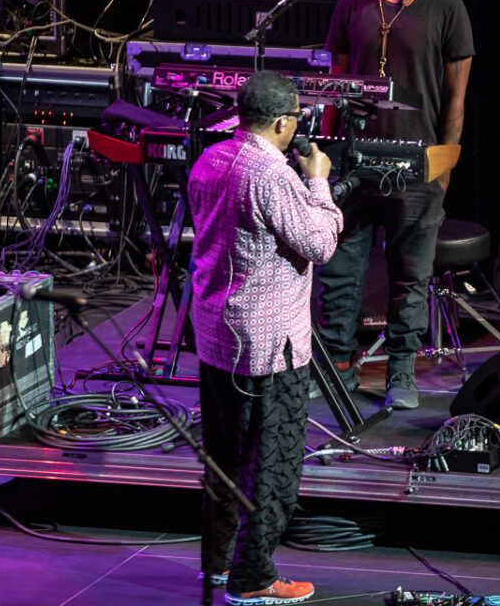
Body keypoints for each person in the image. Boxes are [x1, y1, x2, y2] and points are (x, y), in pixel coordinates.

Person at [188, 71, 343, 605]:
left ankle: (216, 565)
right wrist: (318, 181)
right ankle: (253, 578)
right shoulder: (270, 174)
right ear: (283, 122)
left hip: (215, 337)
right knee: (272, 464)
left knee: (222, 458)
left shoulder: (209, 159)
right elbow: (321, 243)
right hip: (267, 345)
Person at [316, 0, 473, 410]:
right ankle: (337, 364)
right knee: (339, 271)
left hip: (418, 164)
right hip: (354, 161)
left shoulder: (448, 7)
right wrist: (330, 158)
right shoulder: (351, 2)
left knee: (410, 275)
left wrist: (445, 164)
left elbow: (456, 98)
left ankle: (401, 372)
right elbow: (337, 86)